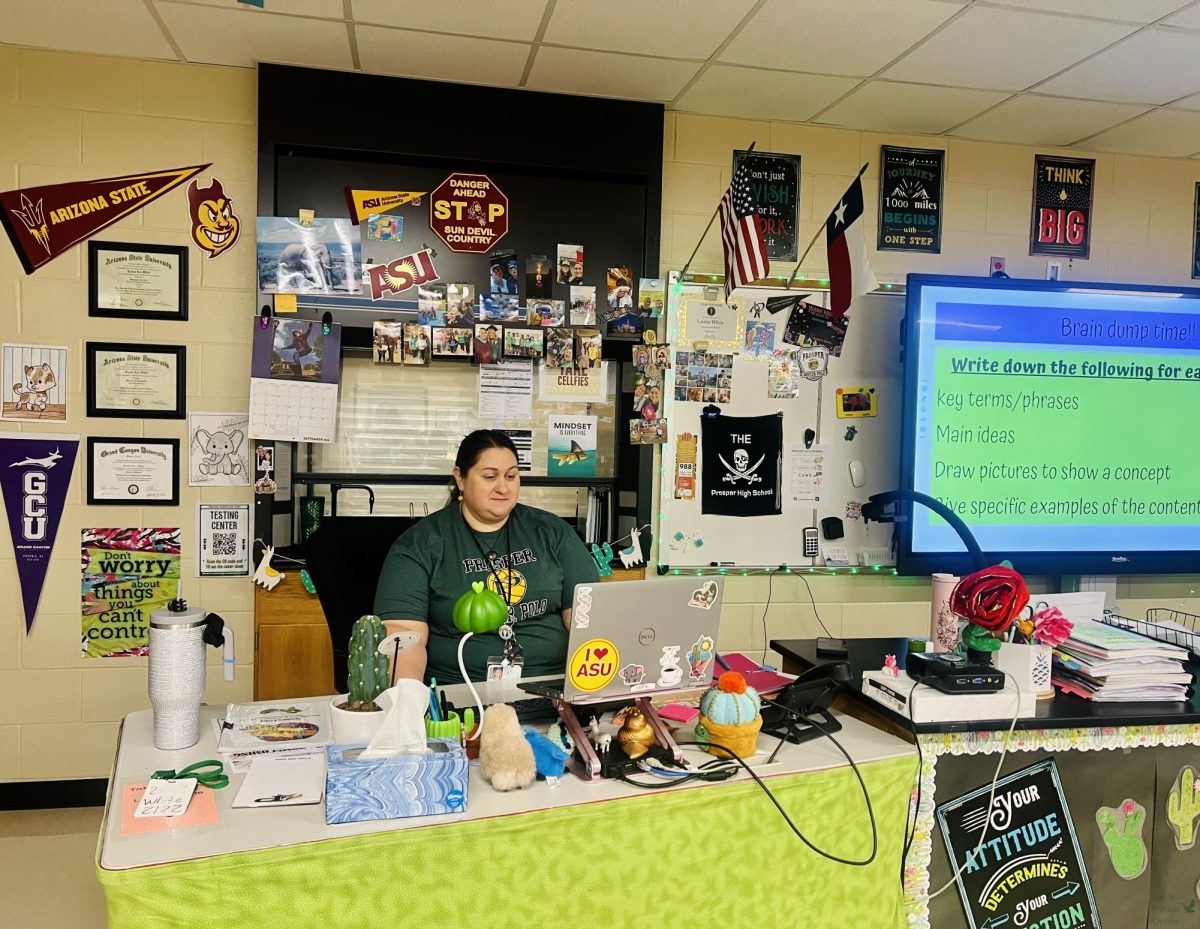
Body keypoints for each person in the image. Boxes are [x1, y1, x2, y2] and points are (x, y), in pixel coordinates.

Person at [375, 430, 600, 684]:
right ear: (460, 478)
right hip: (462, 693)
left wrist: (595, 688)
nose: (503, 488)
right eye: (490, 477)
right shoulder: (420, 543)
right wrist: (408, 700)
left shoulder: (552, 531)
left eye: (511, 476)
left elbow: (589, 617)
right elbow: (403, 635)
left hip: (554, 687)